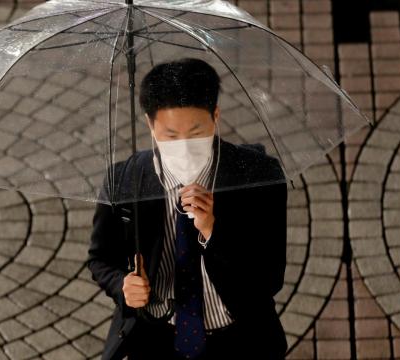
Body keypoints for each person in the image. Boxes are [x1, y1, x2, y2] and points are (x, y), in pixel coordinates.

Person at [87, 58, 288, 360]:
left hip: (238, 339)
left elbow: (269, 279)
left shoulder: (258, 178)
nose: (183, 148)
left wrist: (212, 232)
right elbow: (100, 258)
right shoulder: (125, 182)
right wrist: (124, 285)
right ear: (150, 125)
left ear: (215, 116)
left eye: (196, 133)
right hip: (155, 337)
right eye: (170, 135)